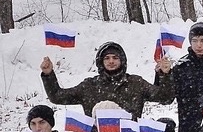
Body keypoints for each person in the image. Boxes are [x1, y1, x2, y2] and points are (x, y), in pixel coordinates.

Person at [40, 40, 174, 119]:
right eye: (107, 58)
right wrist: (48, 75)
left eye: (115, 58)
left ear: (122, 61)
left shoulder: (135, 83)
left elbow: (165, 98)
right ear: (100, 61)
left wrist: (165, 74)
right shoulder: (89, 86)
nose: (111, 61)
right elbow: (57, 97)